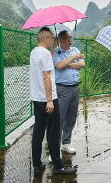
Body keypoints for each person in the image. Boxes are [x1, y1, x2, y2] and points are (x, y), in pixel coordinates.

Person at [30, 27, 77, 175]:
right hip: (47, 100)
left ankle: (37, 166)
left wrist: (55, 46)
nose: (52, 41)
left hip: (36, 99)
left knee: (38, 132)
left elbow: (46, 62)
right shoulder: (44, 53)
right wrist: (50, 100)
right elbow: (47, 77)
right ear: (46, 39)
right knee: (53, 132)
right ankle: (59, 166)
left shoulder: (34, 52)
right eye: (51, 39)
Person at [50, 30, 85, 156]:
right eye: (66, 38)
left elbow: (82, 64)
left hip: (75, 88)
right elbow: (59, 66)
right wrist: (73, 59)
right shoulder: (56, 52)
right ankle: (54, 149)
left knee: (71, 117)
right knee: (59, 118)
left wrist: (68, 64)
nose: (70, 40)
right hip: (62, 89)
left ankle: (66, 143)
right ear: (59, 40)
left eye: (70, 37)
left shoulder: (74, 49)